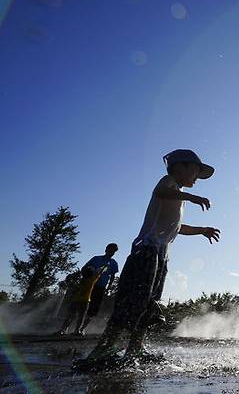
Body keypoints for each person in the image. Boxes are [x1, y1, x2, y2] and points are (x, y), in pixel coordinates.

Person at [80, 149, 221, 366]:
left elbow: (177, 227)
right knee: (132, 301)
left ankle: (135, 350)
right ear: (180, 166)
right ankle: (102, 351)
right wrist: (192, 197)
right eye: (196, 171)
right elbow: (162, 192)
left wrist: (202, 230)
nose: (197, 178)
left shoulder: (178, 194)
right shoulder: (168, 183)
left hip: (160, 255)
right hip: (145, 251)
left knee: (148, 304)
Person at [79, 243, 120, 333]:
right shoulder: (96, 258)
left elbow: (112, 276)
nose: (112, 252)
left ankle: (82, 329)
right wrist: (86, 277)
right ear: (106, 249)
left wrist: (109, 287)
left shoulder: (113, 263)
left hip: (100, 287)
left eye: (114, 251)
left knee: (93, 308)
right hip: (88, 285)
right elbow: (84, 268)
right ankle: (65, 328)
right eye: (110, 250)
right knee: (80, 305)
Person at [57, 265, 107, 336]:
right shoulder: (91, 281)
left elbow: (73, 289)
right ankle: (77, 330)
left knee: (71, 315)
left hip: (77, 300)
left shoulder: (79, 281)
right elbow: (99, 273)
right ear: (91, 274)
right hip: (85, 300)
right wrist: (104, 267)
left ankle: (63, 329)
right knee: (81, 316)